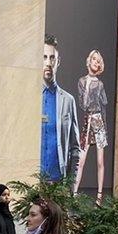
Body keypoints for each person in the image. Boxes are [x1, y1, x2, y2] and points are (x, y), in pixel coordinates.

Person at [40, 34, 82, 183]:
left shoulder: (68, 101)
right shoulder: (29, 98)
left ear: (58, 62)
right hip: (31, 180)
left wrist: (71, 185)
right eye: (44, 57)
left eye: (52, 58)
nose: (48, 63)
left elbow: (75, 148)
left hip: (58, 181)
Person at [74, 49, 110, 202]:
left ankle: (100, 195)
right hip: (87, 121)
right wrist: (88, 88)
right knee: (81, 160)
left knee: (100, 161)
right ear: (89, 61)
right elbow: (83, 104)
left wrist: (105, 129)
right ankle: (74, 192)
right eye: (94, 59)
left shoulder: (100, 84)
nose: (96, 62)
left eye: (98, 60)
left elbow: (103, 107)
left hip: (99, 121)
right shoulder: (82, 81)